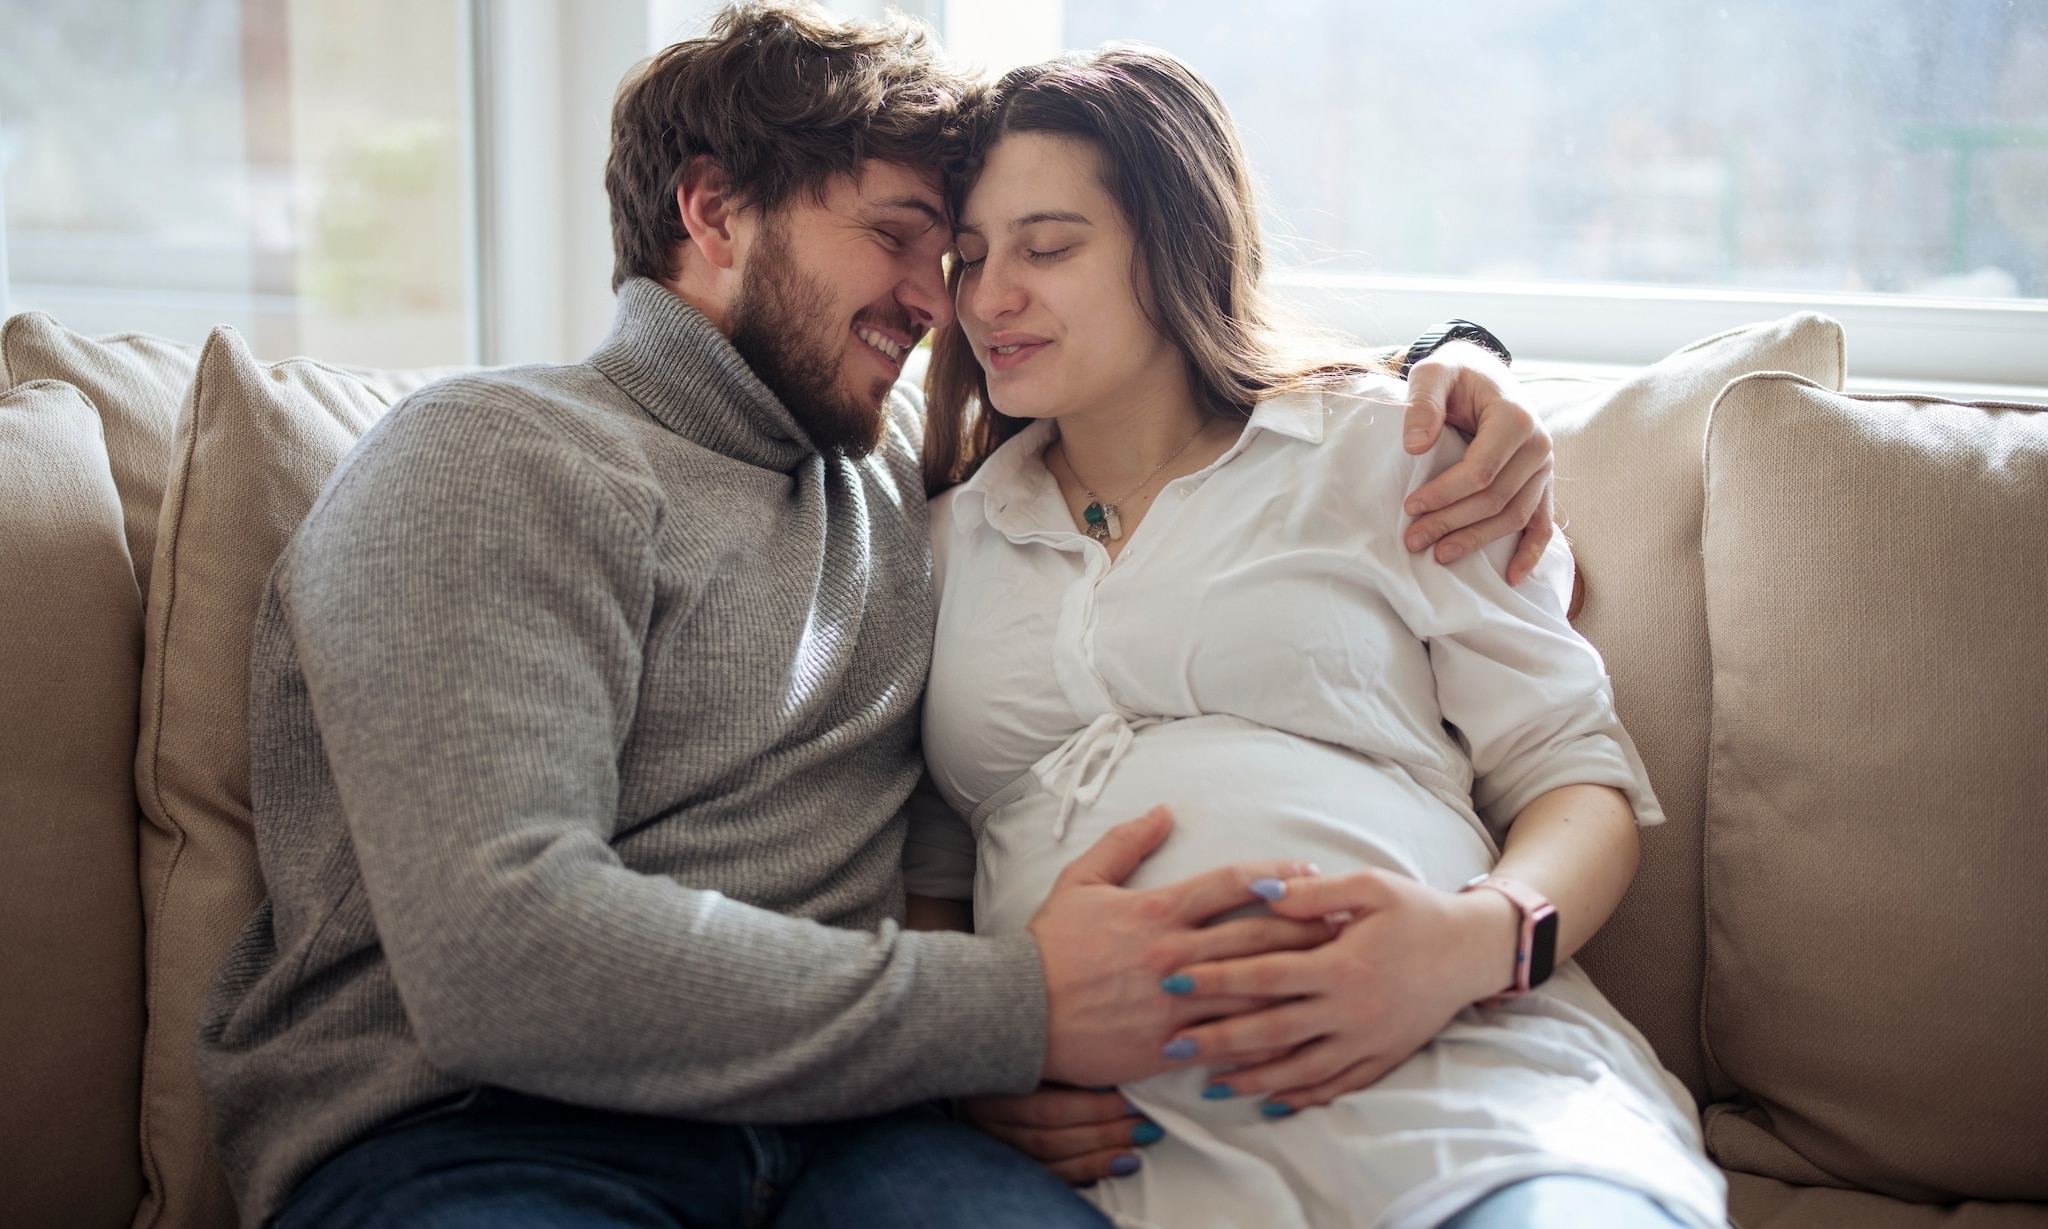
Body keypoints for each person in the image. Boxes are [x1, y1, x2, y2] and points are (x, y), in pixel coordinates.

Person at [191, 5, 1556, 1226]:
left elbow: (1178, 391)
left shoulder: (898, 479)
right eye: (901, 238)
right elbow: (500, 958)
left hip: (860, 1138)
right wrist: (1017, 1010)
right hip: (491, 1136)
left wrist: (1458, 369)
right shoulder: (493, 457)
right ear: (714, 212)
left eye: (949, 254)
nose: (941, 302)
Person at [905, 46, 1727, 1229]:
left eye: (1046, 248)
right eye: (970, 256)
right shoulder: (939, 539)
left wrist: (1474, 942)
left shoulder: (1379, 454)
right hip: (1125, 1152)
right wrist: (968, 1062)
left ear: (1175, 246)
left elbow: (1573, 774)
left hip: (1449, 1077)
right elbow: (931, 872)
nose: (988, 299)